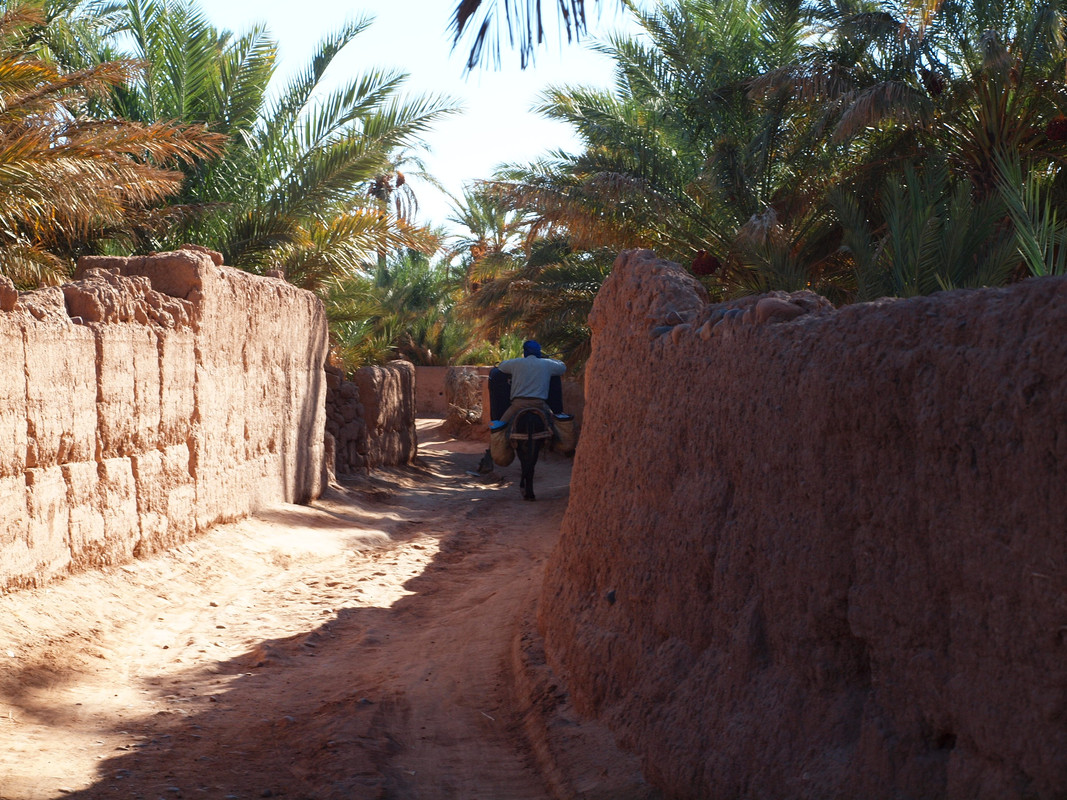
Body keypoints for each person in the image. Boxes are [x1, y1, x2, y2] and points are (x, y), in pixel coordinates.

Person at [495, 340, 566, 425]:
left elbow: (501, 366)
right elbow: (562, 367)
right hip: (539, 404)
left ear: (525, 352)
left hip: (517, 405)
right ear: (539, 352)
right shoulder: (547, 364)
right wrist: (547, 359)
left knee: (501, 426)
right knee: (555, 424)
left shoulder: (516, 363)